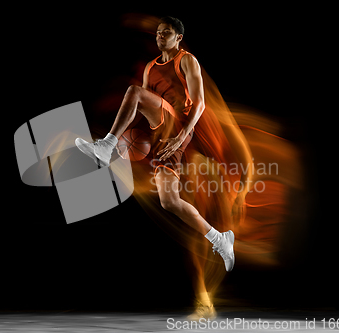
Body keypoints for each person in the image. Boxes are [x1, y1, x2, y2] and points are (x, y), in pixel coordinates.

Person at [75, 16, 234, 316]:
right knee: (169, 201)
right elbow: (143, 113)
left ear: (178, 37)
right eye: (158, 34)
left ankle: (105, 146)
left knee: (133, 92)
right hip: (163, 133)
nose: (160, 38)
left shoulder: (187, 61)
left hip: (179, 125)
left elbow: (198, 104)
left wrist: (184, 135)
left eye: (167, 34)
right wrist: (134, 146)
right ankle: (220, 238)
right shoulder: (150, 67)